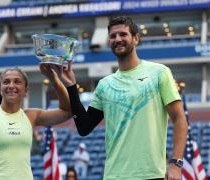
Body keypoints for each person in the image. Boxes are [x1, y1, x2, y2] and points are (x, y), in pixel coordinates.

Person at [61, 16, 188, 179]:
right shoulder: (105, 85)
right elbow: (84, 127)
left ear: (136, 39)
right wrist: (71, 86)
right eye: (113, 36)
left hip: (150, 174)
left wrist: (176, 164)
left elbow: (179, 119)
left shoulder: (159, 73)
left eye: (123, 34)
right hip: (114, 175)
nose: (117, 39)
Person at [0, 64, 71, 179]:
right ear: (0, 89)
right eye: (6, 82)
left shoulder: (31, 116)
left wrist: (54, 79)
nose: (11, 85)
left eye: (17, 82)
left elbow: (67, 111)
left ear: (26, 91)